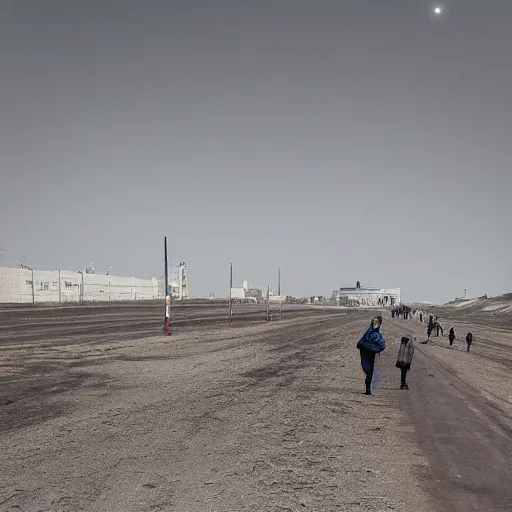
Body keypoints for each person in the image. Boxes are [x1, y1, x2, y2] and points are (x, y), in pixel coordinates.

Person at [357, 316, 386, 395]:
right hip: (368, 354)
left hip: (367, 353)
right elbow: (381, 344)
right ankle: (368, 390)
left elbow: (361, 343)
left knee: (369, 371)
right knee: (369, 370)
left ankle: (368, 389)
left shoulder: (370, 332)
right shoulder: (374, 333)